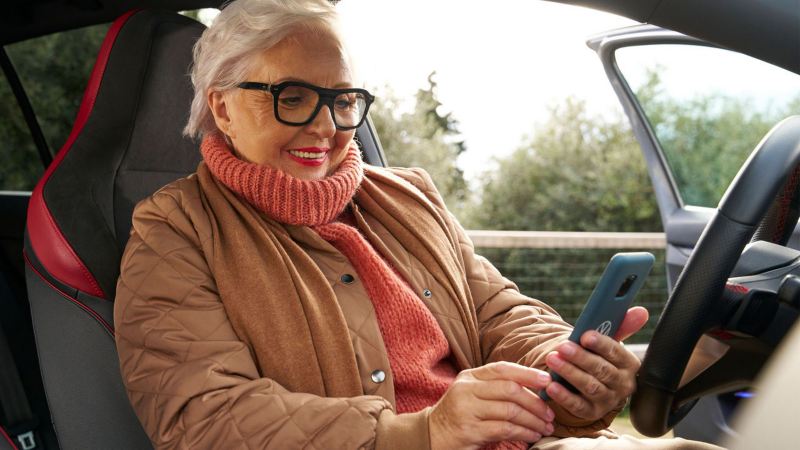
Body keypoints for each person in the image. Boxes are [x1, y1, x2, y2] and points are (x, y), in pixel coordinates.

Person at [113, 0, 721, 449]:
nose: (326, 127)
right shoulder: (174, 231)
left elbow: (499, 314)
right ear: (221, 104)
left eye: (343, 100)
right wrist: (421, 431)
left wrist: (566, 368)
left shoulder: (409, 197)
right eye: (292, 97)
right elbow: (207, 419)